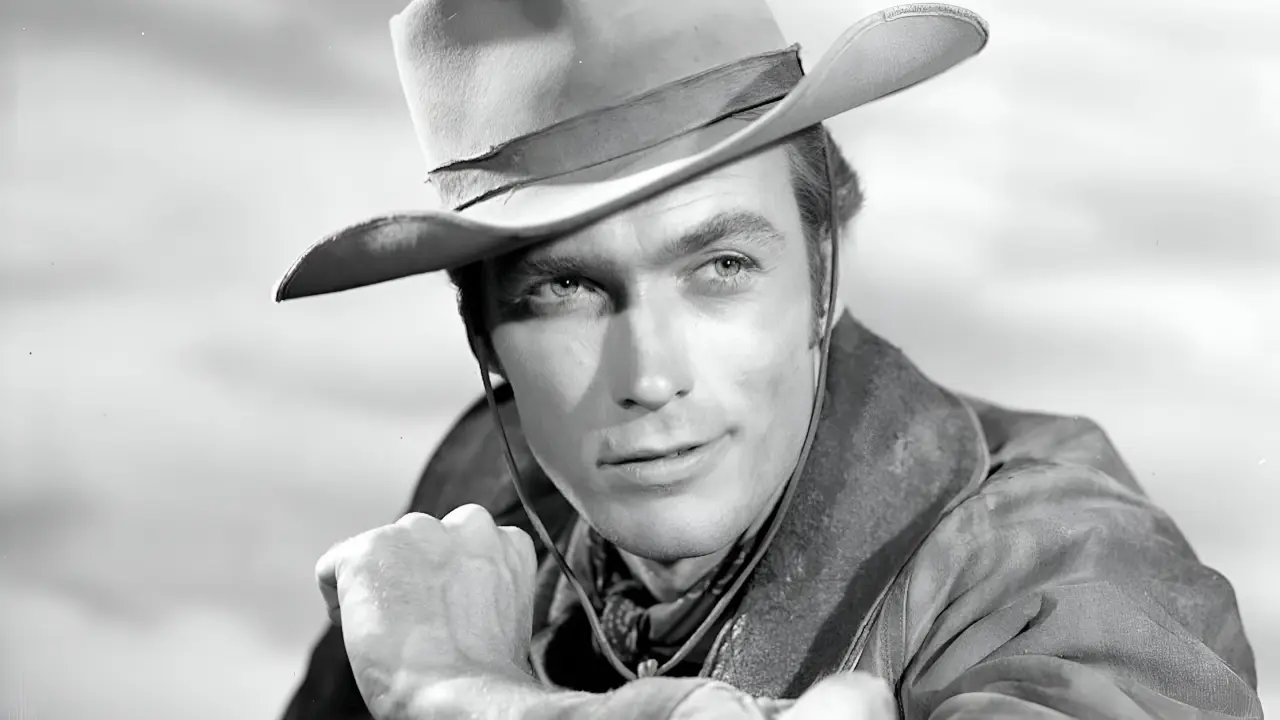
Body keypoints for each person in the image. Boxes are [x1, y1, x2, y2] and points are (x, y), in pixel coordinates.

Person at [272, 1, 1263, 718]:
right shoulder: (474, 498)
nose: (649, 377)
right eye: (563, 289)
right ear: (485, 339)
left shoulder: (1060, 564)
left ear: (823, 273)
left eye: (721, 267)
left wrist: (457, 695)